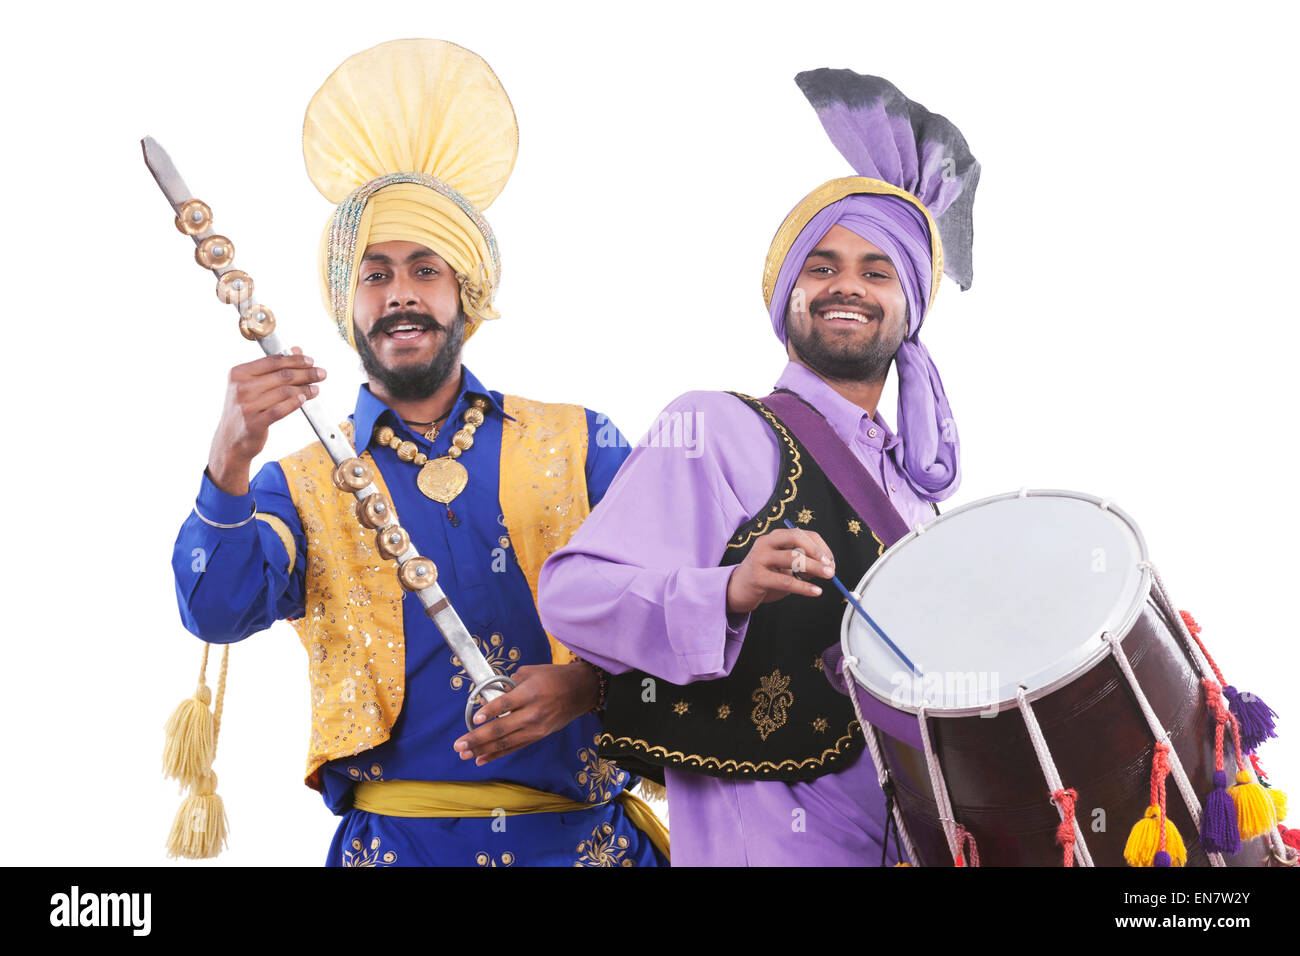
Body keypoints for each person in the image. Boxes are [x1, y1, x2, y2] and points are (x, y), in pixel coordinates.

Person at [172, 39, 667, 867]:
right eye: (373, 274)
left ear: (465, 296)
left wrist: (591, 686)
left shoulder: (581, 442)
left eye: (425, 269)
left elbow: (686, 623)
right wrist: (228, 456)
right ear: (347, 307)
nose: (400, 291)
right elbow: (215, 609)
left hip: (589, 847)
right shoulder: (299, 484)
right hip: (396, 849)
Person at [537, 68, 979, 866]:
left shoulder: (918, 490)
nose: (848, 284)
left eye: (878, 271)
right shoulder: (713, 427)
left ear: (910, 306)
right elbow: (573, 596)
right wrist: (726, 590)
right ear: (788, 294)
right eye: (823, 265)